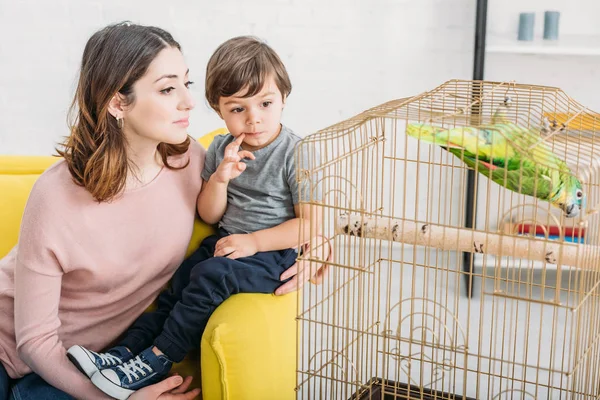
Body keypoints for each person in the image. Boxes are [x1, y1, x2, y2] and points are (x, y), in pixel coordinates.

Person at [67, 35, 325, 400]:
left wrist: (254, 242)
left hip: (273, 254)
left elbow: (310, 224)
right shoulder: (220, 147)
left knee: (208, 276)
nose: (253, 119)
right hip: (228, 244)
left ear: (284, 97)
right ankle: (122, 355)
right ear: (218, 110)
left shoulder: (297, 153)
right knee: (180, 285)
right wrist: (220, 177)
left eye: (265, 103)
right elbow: (209, 212)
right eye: (237, 109)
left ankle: (158, 359)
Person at [0, 22, 206, 400]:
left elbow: (260, 209)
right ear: (117, 103)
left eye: (186, 84)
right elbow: (34, 341)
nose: (188, 102)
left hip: (89, 362)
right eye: (167, 88)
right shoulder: (55, 195)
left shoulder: (192, 163)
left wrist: (311, 235)